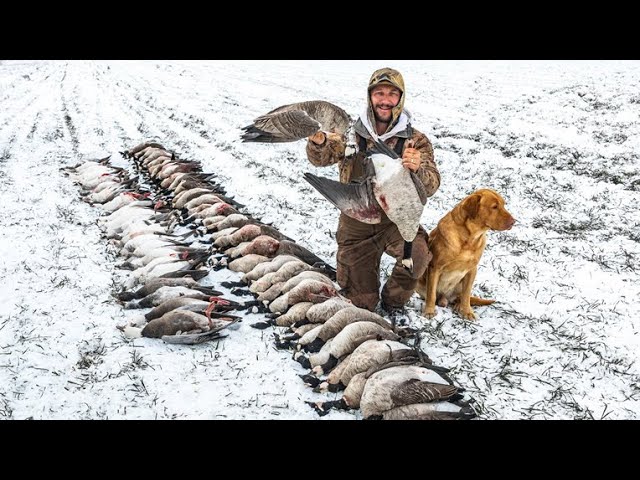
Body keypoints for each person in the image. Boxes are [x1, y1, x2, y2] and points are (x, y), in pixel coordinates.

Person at [305, 67, 440, 315]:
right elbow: (322, 158)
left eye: (392, 94)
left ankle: (393, 301)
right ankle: (364, 291)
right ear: (370, 96)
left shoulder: (415, 140)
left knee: (417, 256)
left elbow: (432, 185)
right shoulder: (350, 133)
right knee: (361, 304)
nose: (385, 100)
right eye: (379, 93)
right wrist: (319, 142)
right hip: (356, 222)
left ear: (400, 99)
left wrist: (418, 168)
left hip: (396, 220)